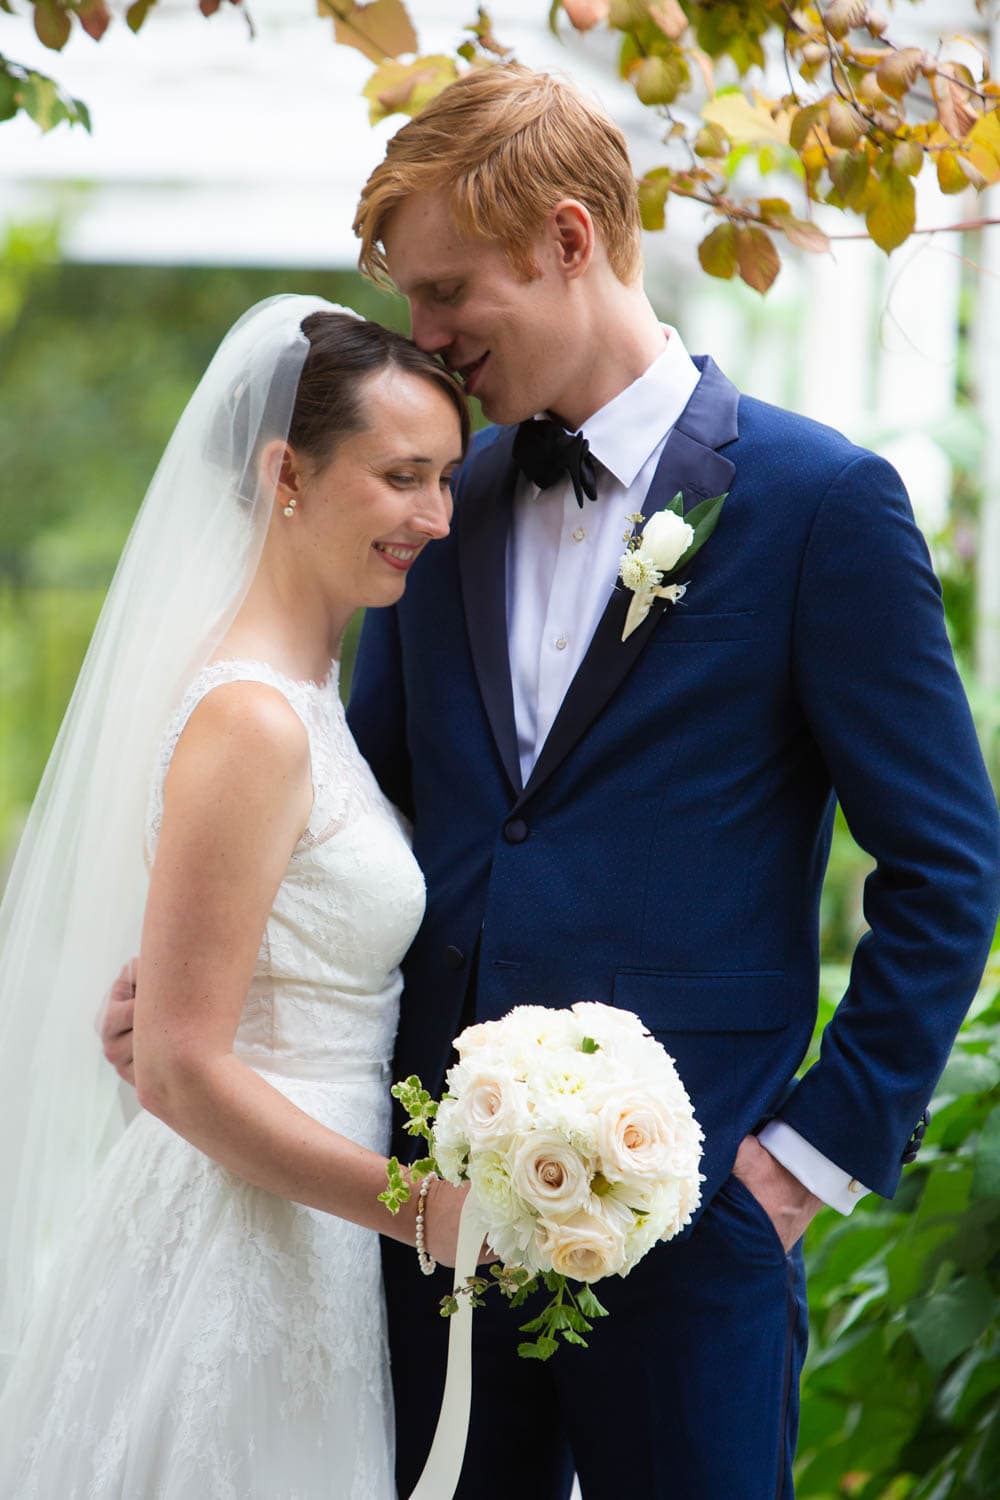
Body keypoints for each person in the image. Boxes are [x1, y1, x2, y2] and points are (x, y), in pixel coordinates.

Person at [341, 65, 998, 1498]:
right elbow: (361, 802)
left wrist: (800, 1169)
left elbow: (947, 868)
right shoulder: (434, 504)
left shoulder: (822, 505)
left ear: (569, 240)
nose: (425, 338)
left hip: (696, 1225)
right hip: (434, 1222)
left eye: (447, 292)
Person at [0, 295, 472, 1498]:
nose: (436, 517)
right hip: (236, 1241)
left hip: (307, 1228)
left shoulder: (312, 688)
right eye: (402, 477)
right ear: (286, 473)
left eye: (446, 480)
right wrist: (429, 1214)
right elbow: (178, 1066)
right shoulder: (253, 719)